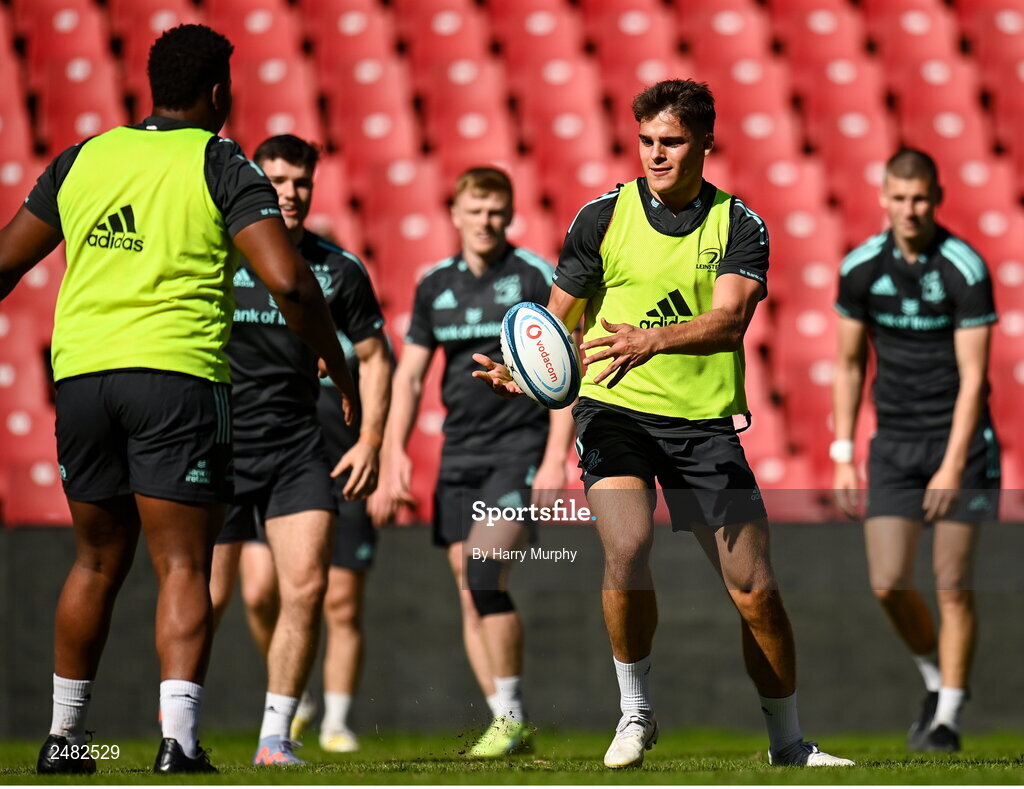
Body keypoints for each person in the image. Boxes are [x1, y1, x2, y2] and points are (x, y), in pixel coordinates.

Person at [0, 25, 356, 775]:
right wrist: (336, 362)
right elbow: (290, 281)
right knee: (183, 566)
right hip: (177, 381)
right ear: (218, 92)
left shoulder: (83, 157)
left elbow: (3, 262)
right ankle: (179, 741)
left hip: (82, 382)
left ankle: (67, 739)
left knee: (95, 561)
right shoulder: (220, 162)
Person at [474, 79, 853, 769]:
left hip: (705, 425)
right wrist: (521, 371)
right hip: (614, 411)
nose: (655, 154)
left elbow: (732, 320)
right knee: (628, 545)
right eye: (646, 140)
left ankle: (788, 743)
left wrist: (652, 338)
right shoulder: (601, 217)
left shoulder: (739, 223)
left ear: (707, 142)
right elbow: (555, 322)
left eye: (672, 141)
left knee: (757, 590)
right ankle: (636, 713)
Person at [371, 167, 575, 757]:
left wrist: (555, 458)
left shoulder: (534, 274)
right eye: (475, 210)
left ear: (509, 215)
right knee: (469, 590)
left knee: (484, 572)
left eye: (496, 211)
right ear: (455, 214)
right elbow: (409, 377)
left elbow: (566, 371)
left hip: (519, 451)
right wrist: (393, 455)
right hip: (460, 453)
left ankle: (511, 719)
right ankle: (506, 721)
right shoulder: (434, 285)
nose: (486, 221)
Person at [206, 135, 389, 764]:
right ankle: (180, 729)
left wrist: (371, 439)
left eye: (300, 182)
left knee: (308, 588)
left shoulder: (338, 269)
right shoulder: (216, 255)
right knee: (212, 596)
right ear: (256, 182)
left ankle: (275, 739)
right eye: (276, 180)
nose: (289, 192)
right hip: (218, 444)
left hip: (297, 447)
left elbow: (376, 357)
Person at [832, 149, 1000, 753]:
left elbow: (975, 378)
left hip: (960, 443)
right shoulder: (860, 268)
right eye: (899, 198)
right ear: (883, 198)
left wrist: (954, 464)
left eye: (921, 198)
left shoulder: (965, 268)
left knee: (952, 585)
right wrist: (843, 451)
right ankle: (935, 678)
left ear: (938, 197)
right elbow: (849, 365)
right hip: (893, 444)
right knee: (887, 583)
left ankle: (948, 720)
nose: (910, 209)